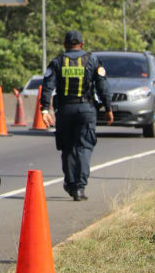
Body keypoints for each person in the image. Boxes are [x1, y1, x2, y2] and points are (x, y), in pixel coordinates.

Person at [40, 30, 113, 201]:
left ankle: (71, 185)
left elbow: (47, 86)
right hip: (86, 110)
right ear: (82, 44)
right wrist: (108, 108)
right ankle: (80, 187)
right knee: (84, 147)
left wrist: (44, 109)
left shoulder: (57, 61)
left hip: (65, 111)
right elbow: (103, 86)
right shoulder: (93, 60)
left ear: (65, 45)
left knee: (68, 148)